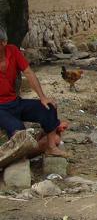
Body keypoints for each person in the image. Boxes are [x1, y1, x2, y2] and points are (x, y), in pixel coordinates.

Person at [0, 26, 67, 156]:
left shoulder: (13, 51)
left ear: (3, 42)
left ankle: (51, 147)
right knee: (19, 130)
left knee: (48, 108)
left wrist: (42, 97)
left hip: (15, 102)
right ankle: (22, 154)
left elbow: (29, 73)